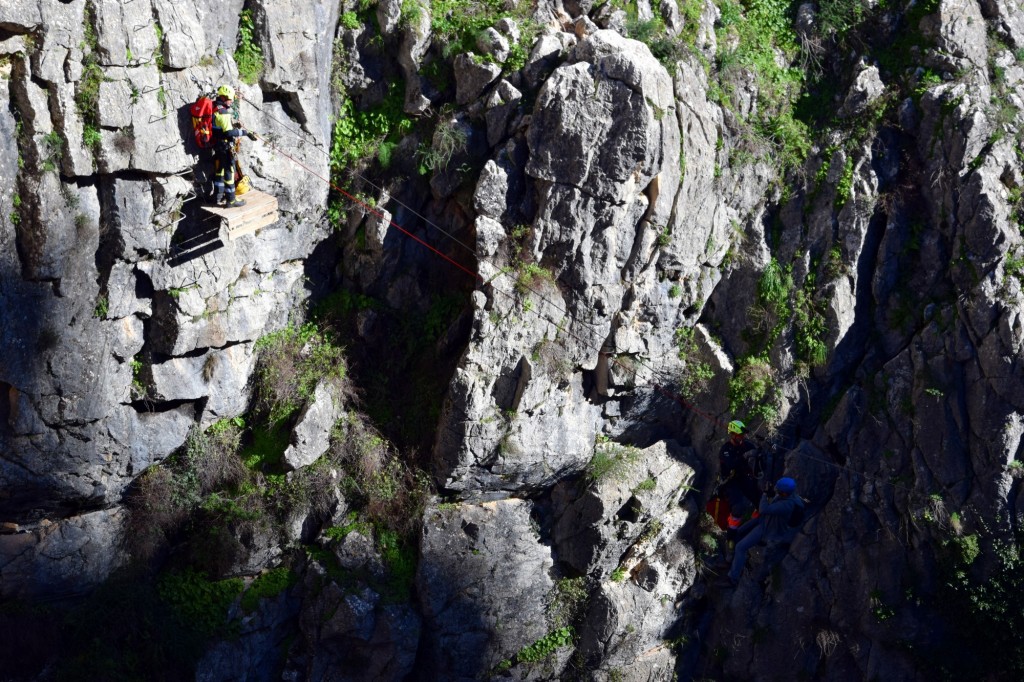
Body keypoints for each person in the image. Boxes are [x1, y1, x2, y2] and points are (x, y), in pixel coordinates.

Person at [725, 476, 804, 587]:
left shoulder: (786, 505)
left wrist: (765, 495)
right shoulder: (789, 496)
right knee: (738, 532)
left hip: (767, 529)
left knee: (740, 547)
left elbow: (764, 509)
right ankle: (733, 559)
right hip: (764, 520)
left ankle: (733, 578)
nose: (777, 491)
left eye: (779, 491)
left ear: (785, 493)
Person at [210, 84, 256, 208]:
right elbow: (229, 132)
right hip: (224, 145)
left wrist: (234, 126)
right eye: (230, 99)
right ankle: (231, 200)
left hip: (217, 144)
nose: (232, 101)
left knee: (220, 170)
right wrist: (245, 133)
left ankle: (218, 196)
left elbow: (221, 126)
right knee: (229, 172)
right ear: (224, 97)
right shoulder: (223, 112)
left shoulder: (214, 106)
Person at [718, 420, 762, 540]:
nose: (742, 437)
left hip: (744, 478)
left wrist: (760, 449)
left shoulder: (746, 444)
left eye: (742, 434)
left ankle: (751, 527)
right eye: (739, 435)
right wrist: (745, 456)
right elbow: (731, 464)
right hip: (731, 482)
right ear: (732, 434)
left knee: (761, 502)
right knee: (738, 508)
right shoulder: (726, 450)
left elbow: (757, 451)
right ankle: (730, 538)